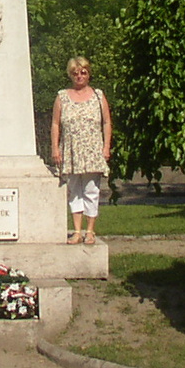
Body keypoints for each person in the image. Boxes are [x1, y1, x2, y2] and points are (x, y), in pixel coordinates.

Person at [50, 56, 112, 244]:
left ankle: (90, 230)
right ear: (70, 75)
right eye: (75, 73)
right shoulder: (62, 96)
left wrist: (106, 147)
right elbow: (55, 124)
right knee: (74, 190)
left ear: (88, 74)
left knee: (91, 190)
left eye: (83, 72)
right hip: (71, 150)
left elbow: (107, 122)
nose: (79, 76)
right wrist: (55, 148)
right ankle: (77, 231)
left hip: (92, 150)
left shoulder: (98, 96)